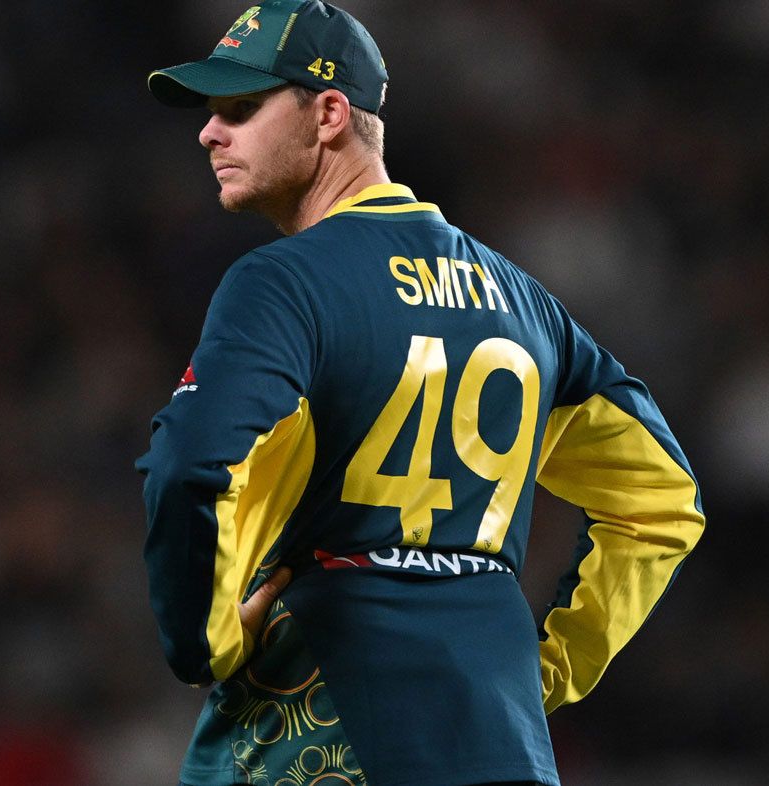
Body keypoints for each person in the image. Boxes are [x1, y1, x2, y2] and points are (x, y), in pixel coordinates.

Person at [136, 3, 705, 785]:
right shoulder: (521, 301)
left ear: (329, 112)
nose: (210, 133)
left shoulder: (283, 285)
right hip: (499, 740)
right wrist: (546, 670)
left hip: (325, 725)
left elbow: (193, 464)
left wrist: (208, 643)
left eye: (241, 109)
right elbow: (663, 500)